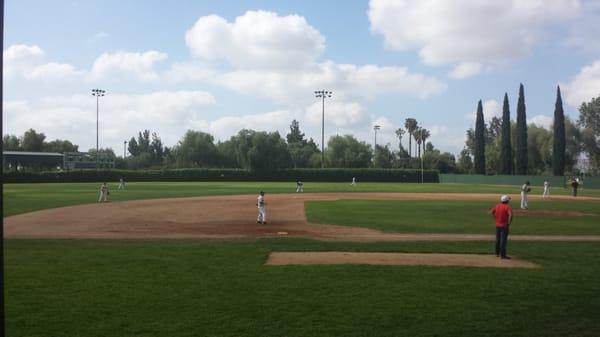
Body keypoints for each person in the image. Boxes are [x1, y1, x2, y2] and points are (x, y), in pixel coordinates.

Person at [490, 195, 513, 259]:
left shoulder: (497, 206)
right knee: (503, 241)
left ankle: (497, 253)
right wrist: (509, 223)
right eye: (508, 200)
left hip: (497, 225)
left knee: (498, 240)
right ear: (506, 201)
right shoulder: (507, 207)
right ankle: (503, 255)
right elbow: (511, 215)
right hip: (504, 226)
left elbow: (492, 212)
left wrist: (495, 218)